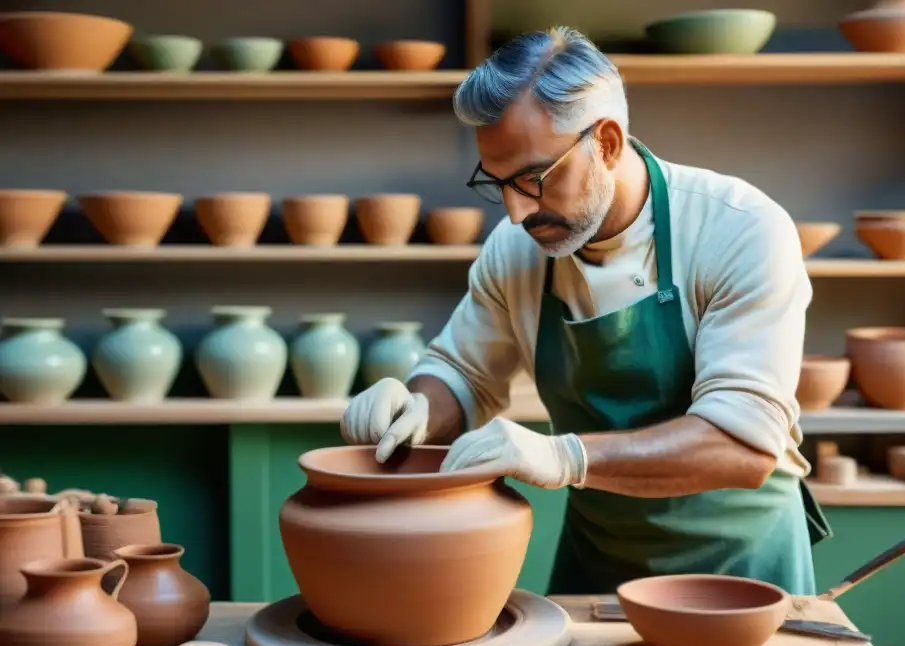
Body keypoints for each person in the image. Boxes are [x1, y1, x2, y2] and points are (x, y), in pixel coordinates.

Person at [341, 26, 830, 596]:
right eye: (496, 182)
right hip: (598, 566)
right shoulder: (514, 248)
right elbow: (466, 374)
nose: (517, 211)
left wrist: (564, 456)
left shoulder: (740, 229)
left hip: (739, 573)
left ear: (608, 143)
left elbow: (741, 446)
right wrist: (419, 407)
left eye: (533, 178)